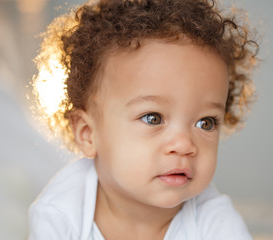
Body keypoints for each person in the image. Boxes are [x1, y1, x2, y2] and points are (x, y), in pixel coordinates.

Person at [28, 0, 259, 239]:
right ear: (88, 133)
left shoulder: (216, 222)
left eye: (206, 122)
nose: (184, 145)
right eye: (153, 118)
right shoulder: (60, 215)